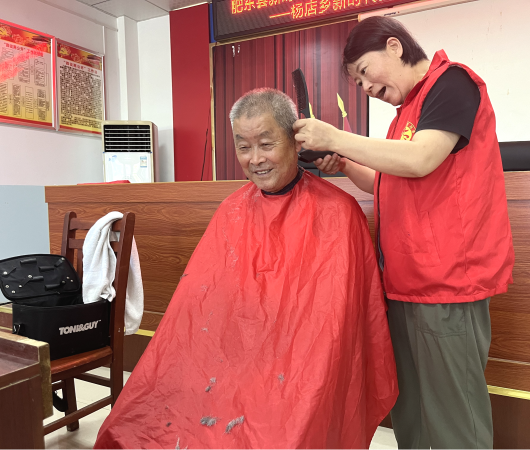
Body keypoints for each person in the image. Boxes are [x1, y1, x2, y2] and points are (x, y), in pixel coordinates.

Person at [94, 88, 398, 450]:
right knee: (140, 427)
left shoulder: (339, 212)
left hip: (302, 373)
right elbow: (197, 316)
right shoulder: (231, 211)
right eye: (243, 147)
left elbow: (338, 329)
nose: (256, 159)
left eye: (266, 144)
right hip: (232, 368)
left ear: (296, 141)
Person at [294, 16, 515, 450]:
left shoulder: (452, 83)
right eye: (358, 83)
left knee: (454, 421)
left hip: (447, 286)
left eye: (364, 73)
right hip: (403, 284)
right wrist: (344, 163)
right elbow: (385, 184)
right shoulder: (405, 116)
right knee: (410, 413)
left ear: (394, 46)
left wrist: (336, 136)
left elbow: (420, 160)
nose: (365, 88)